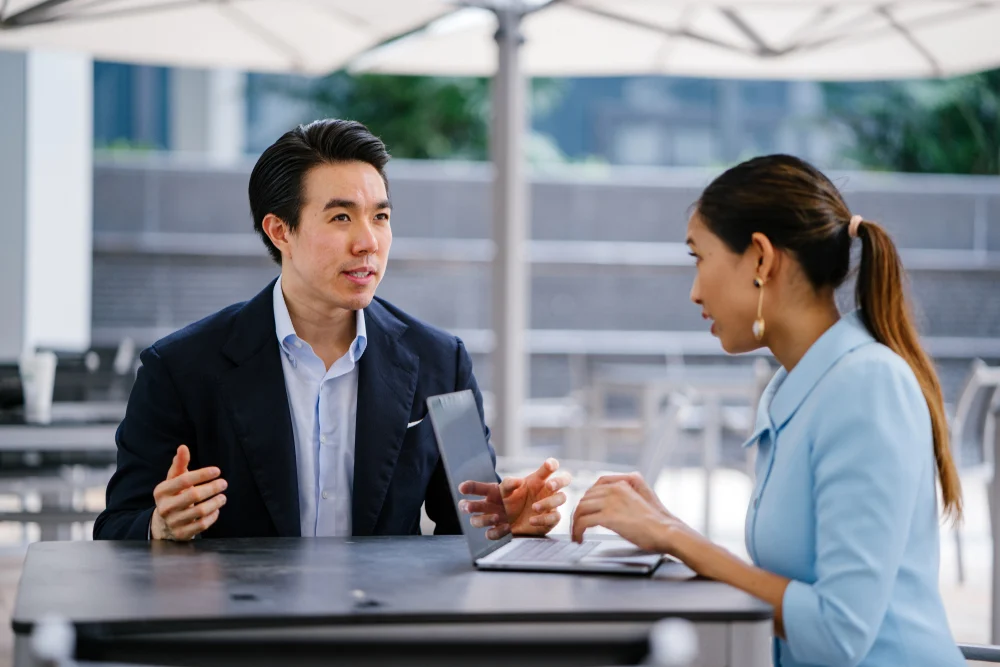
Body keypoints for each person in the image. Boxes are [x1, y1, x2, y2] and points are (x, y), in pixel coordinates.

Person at [571, 155, 965, 667]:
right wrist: (662, 521)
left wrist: (674, 537)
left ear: (760, 258)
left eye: (699, 257)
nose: (694, 291)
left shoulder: (867, 386)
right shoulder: (794, 388)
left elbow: (836, 633)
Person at [95, 119, 568, 541]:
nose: (368, 242)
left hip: (382, 627)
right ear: (281, 231)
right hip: (245, 627)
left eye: (380, 217)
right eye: (341, 217)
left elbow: (467, 519)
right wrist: (159, 525)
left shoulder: (441, 361)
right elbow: (117, 525)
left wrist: (505, 523)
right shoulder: (180, 369)